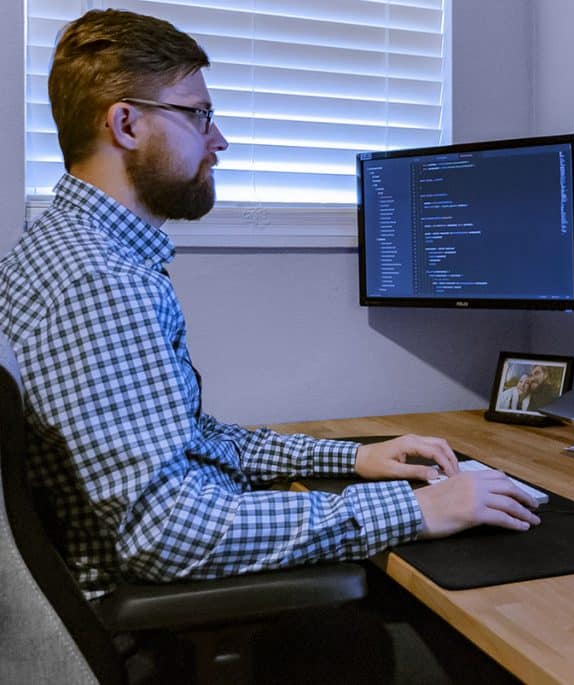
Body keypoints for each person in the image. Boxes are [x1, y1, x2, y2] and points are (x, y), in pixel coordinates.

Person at [0, 8, 538, 680]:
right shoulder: (100, 282)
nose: (218, 138)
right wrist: (417, 505)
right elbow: (167, 532)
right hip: (157, 621)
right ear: (126, 123)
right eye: (198, 114)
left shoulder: (70, 250)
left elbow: (193, 438)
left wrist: (354, 457)